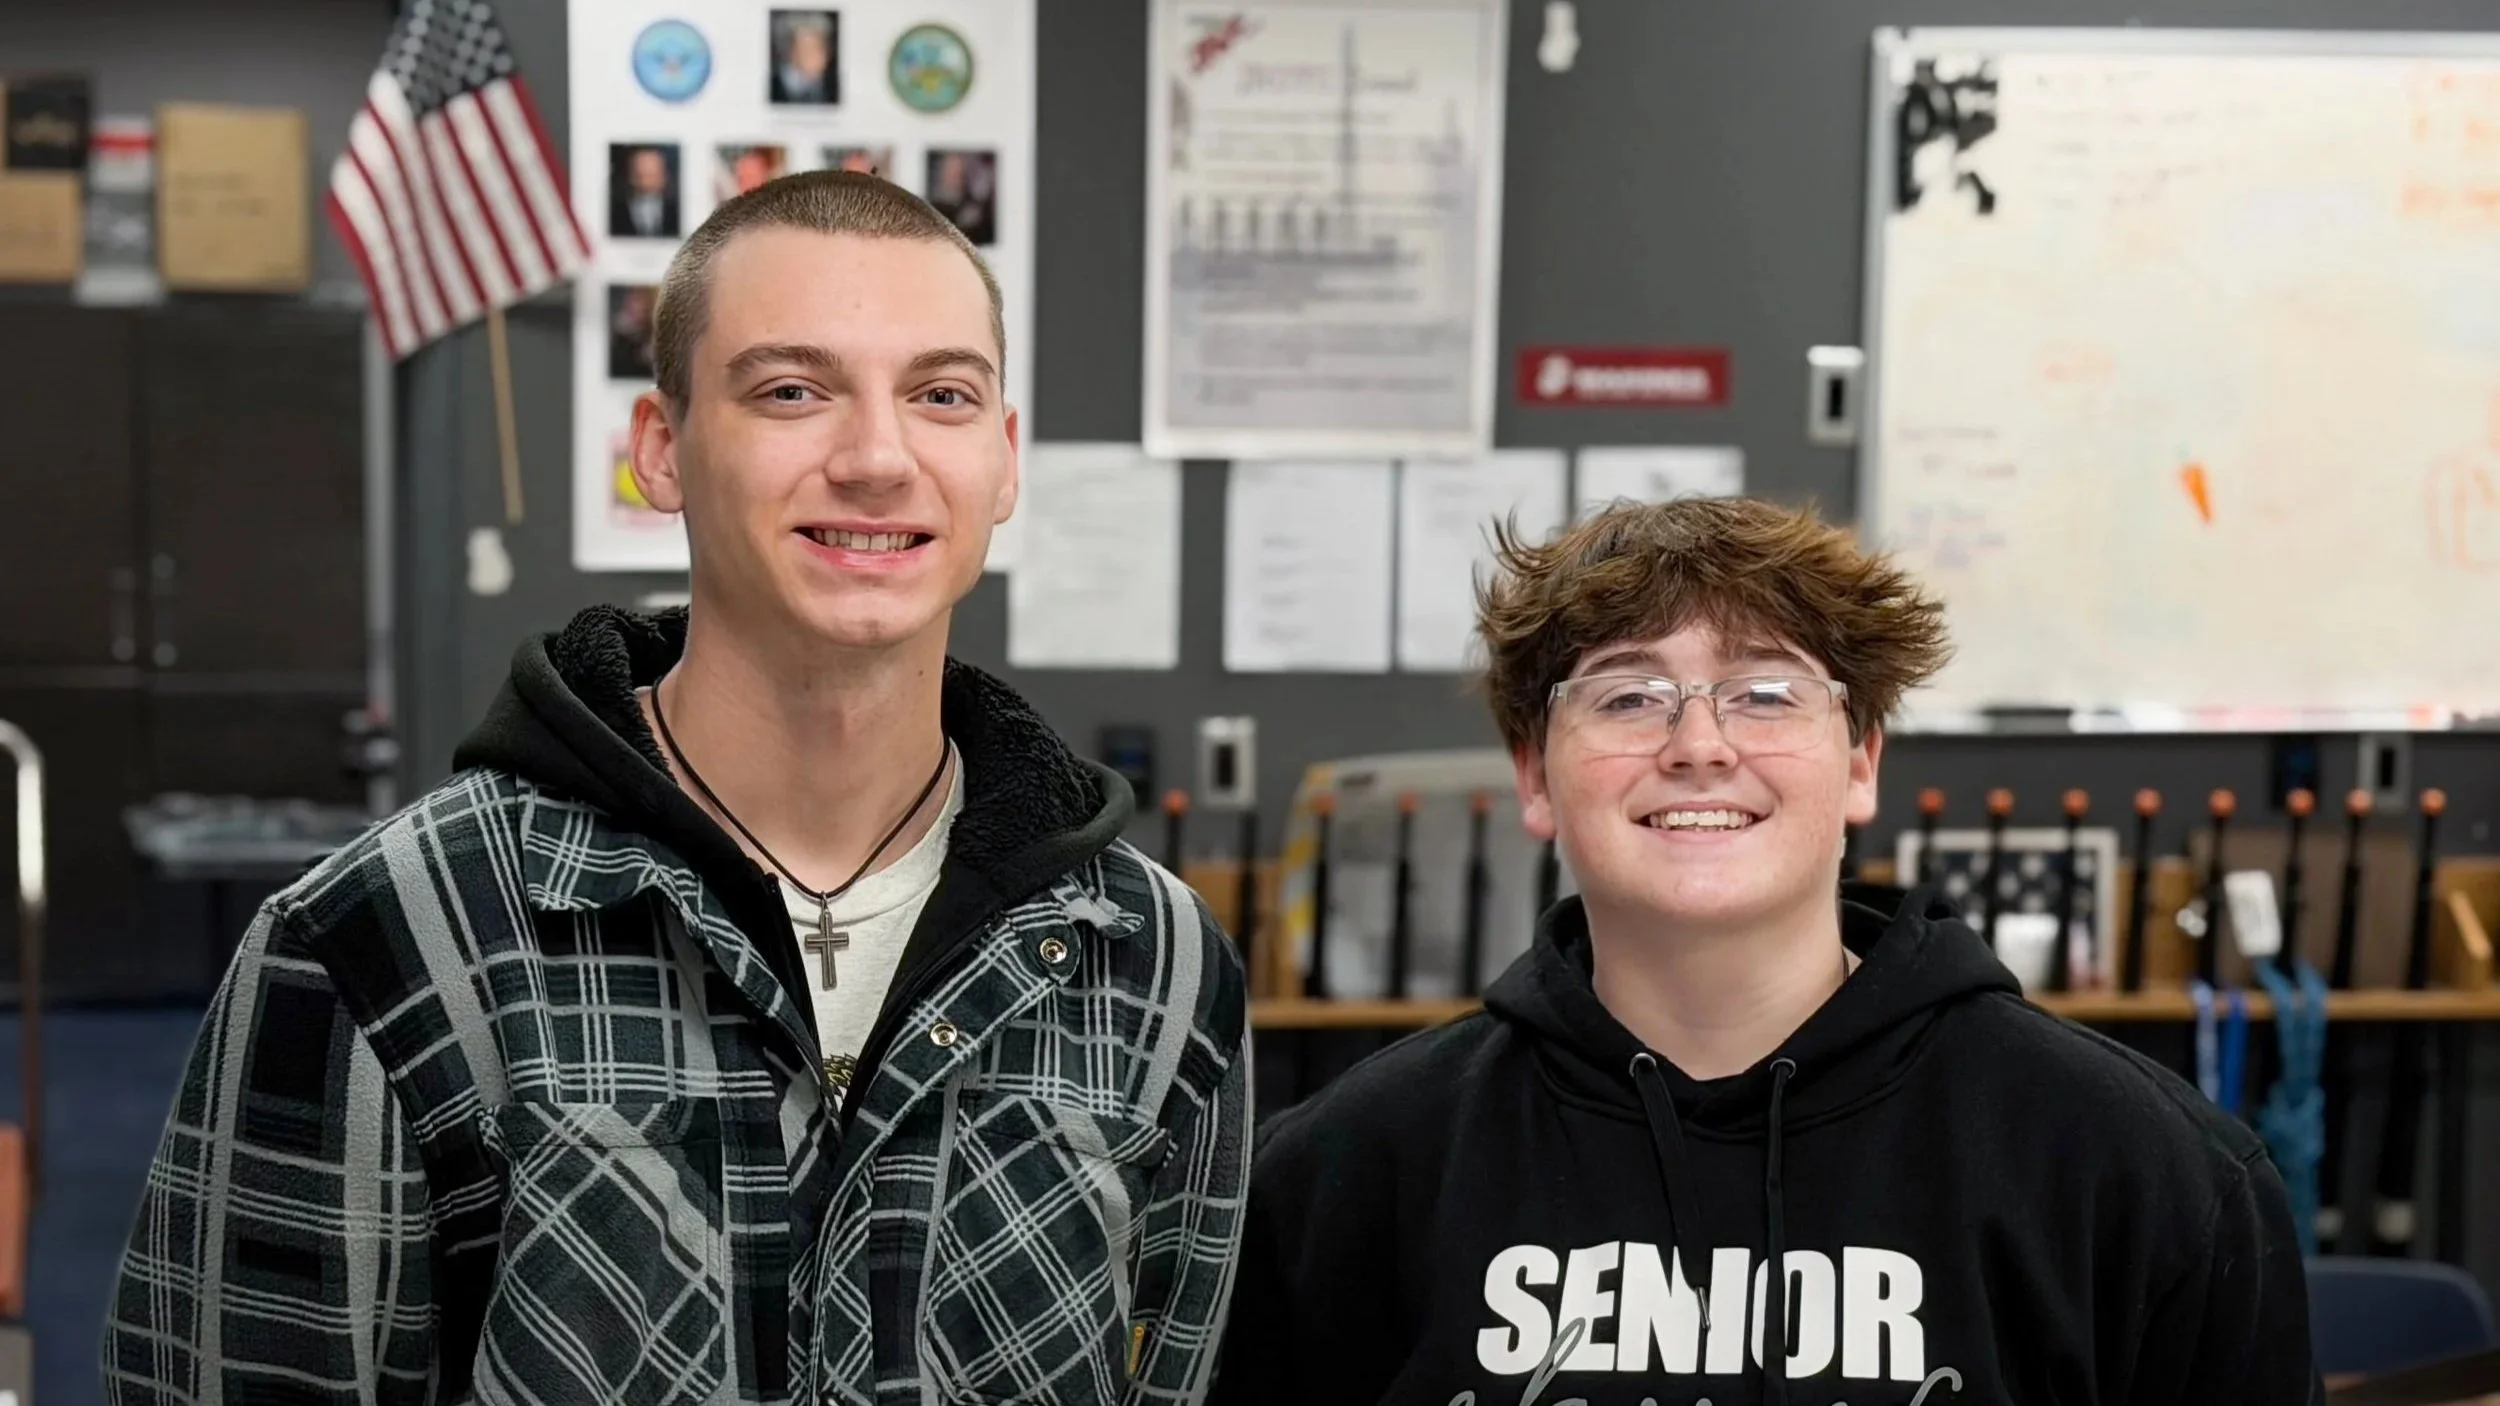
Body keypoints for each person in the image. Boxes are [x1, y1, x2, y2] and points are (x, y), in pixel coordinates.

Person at [105, 170, 1252, 1406]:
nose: (878, 457)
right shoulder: (389, 940)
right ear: (661, 448)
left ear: (1003, 459)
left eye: (942, 395)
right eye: (792, 390)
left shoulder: (1154, 963)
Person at [1212, 495, 2322, 1405]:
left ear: (1860, 761)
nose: (1699, 743)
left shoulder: (2143, 1171)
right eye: (1629, 695)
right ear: (1536, 775)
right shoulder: (1338, 1178)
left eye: (1764, 692)